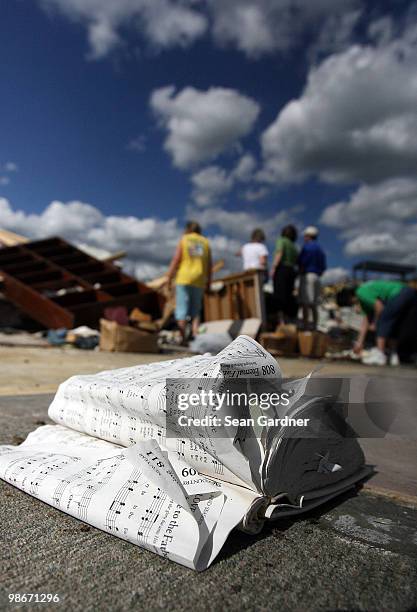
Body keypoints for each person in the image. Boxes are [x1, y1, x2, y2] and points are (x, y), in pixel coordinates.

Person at [337, 280, 417, 365]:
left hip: (399, 293)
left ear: (350, 297)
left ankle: (380, 354)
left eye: (350, 303)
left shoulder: (360, 292)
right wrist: (359, 343)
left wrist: (375, 323)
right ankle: (397, 356)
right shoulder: (365, 298)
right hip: (409, 292)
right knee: (399, 326)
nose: (353, 304)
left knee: (383, 319)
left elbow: (379, 307)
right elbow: (366, 321)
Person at [167, 221, 212, 343]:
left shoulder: (185, 239)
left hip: (184, 277)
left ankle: (181, 337)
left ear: (188, 229)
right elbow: (209, 265)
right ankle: (194, 335)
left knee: (182, 307)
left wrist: (168, 276)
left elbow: (176, 259)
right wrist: (209, 282)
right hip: (200, 279)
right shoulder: (205, 242)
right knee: (196, 309)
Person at [298, 226, 326, 329]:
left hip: (307, 276)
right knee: (314, 304)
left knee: (306, 302)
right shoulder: (320, 249)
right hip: (317, 277)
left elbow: (301, 262)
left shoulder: (307, 247)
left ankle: (306, 327)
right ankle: (314, 326)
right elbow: (323, 267)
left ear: (308, 236)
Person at [271, 224, 298, 324]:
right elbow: (296, 261)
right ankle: (289, 320)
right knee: (289, 295)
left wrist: (274, 267)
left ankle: (281, 321)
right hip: (291, 271)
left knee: (279, 295)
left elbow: (279, 252)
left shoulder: (281, 240)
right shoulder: (294, 246)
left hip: (282, 269)